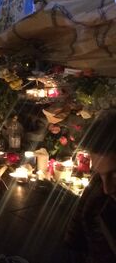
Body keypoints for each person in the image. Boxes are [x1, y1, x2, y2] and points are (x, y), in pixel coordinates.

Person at [65, 110, 116, 262]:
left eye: (115, 175)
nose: (107, 189)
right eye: (100, 176)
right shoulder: (97, 192)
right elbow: (74, 242)